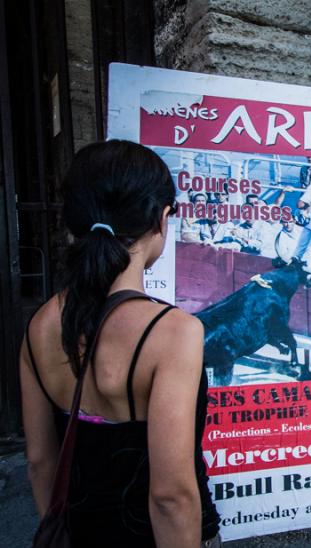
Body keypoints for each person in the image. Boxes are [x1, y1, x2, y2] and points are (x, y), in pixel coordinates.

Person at [20, 140, 220, 547]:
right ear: (162, 220)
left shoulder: (39, 325)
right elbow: (170, 497)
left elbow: (41, 462)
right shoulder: (172, 332)